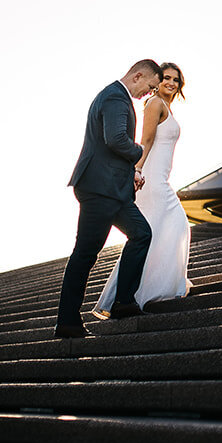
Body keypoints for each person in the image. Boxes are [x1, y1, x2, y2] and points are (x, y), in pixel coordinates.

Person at [55, 59, 163, 339]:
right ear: (138, 76)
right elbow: (115, 139)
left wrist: (131, 175)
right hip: (99, 190)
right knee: (86, 254)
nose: (148, 94)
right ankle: (67, 322)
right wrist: (139, 152)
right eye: (150, 87)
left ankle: (124, 302)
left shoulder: (114, 96)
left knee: (141, 234)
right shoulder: (116, 97)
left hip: (114, 190)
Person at [94, 62, 192, 315]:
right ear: (157, 81)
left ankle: (149, 290)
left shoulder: (166, 107)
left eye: (176, 80)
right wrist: (137, 170)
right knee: (172, 225)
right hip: (152, 179)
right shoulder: (155, 104)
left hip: (160, 177)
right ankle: (138, 293)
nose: (171, 83)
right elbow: (145, 140)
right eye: (166, 78)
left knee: (159, 231)